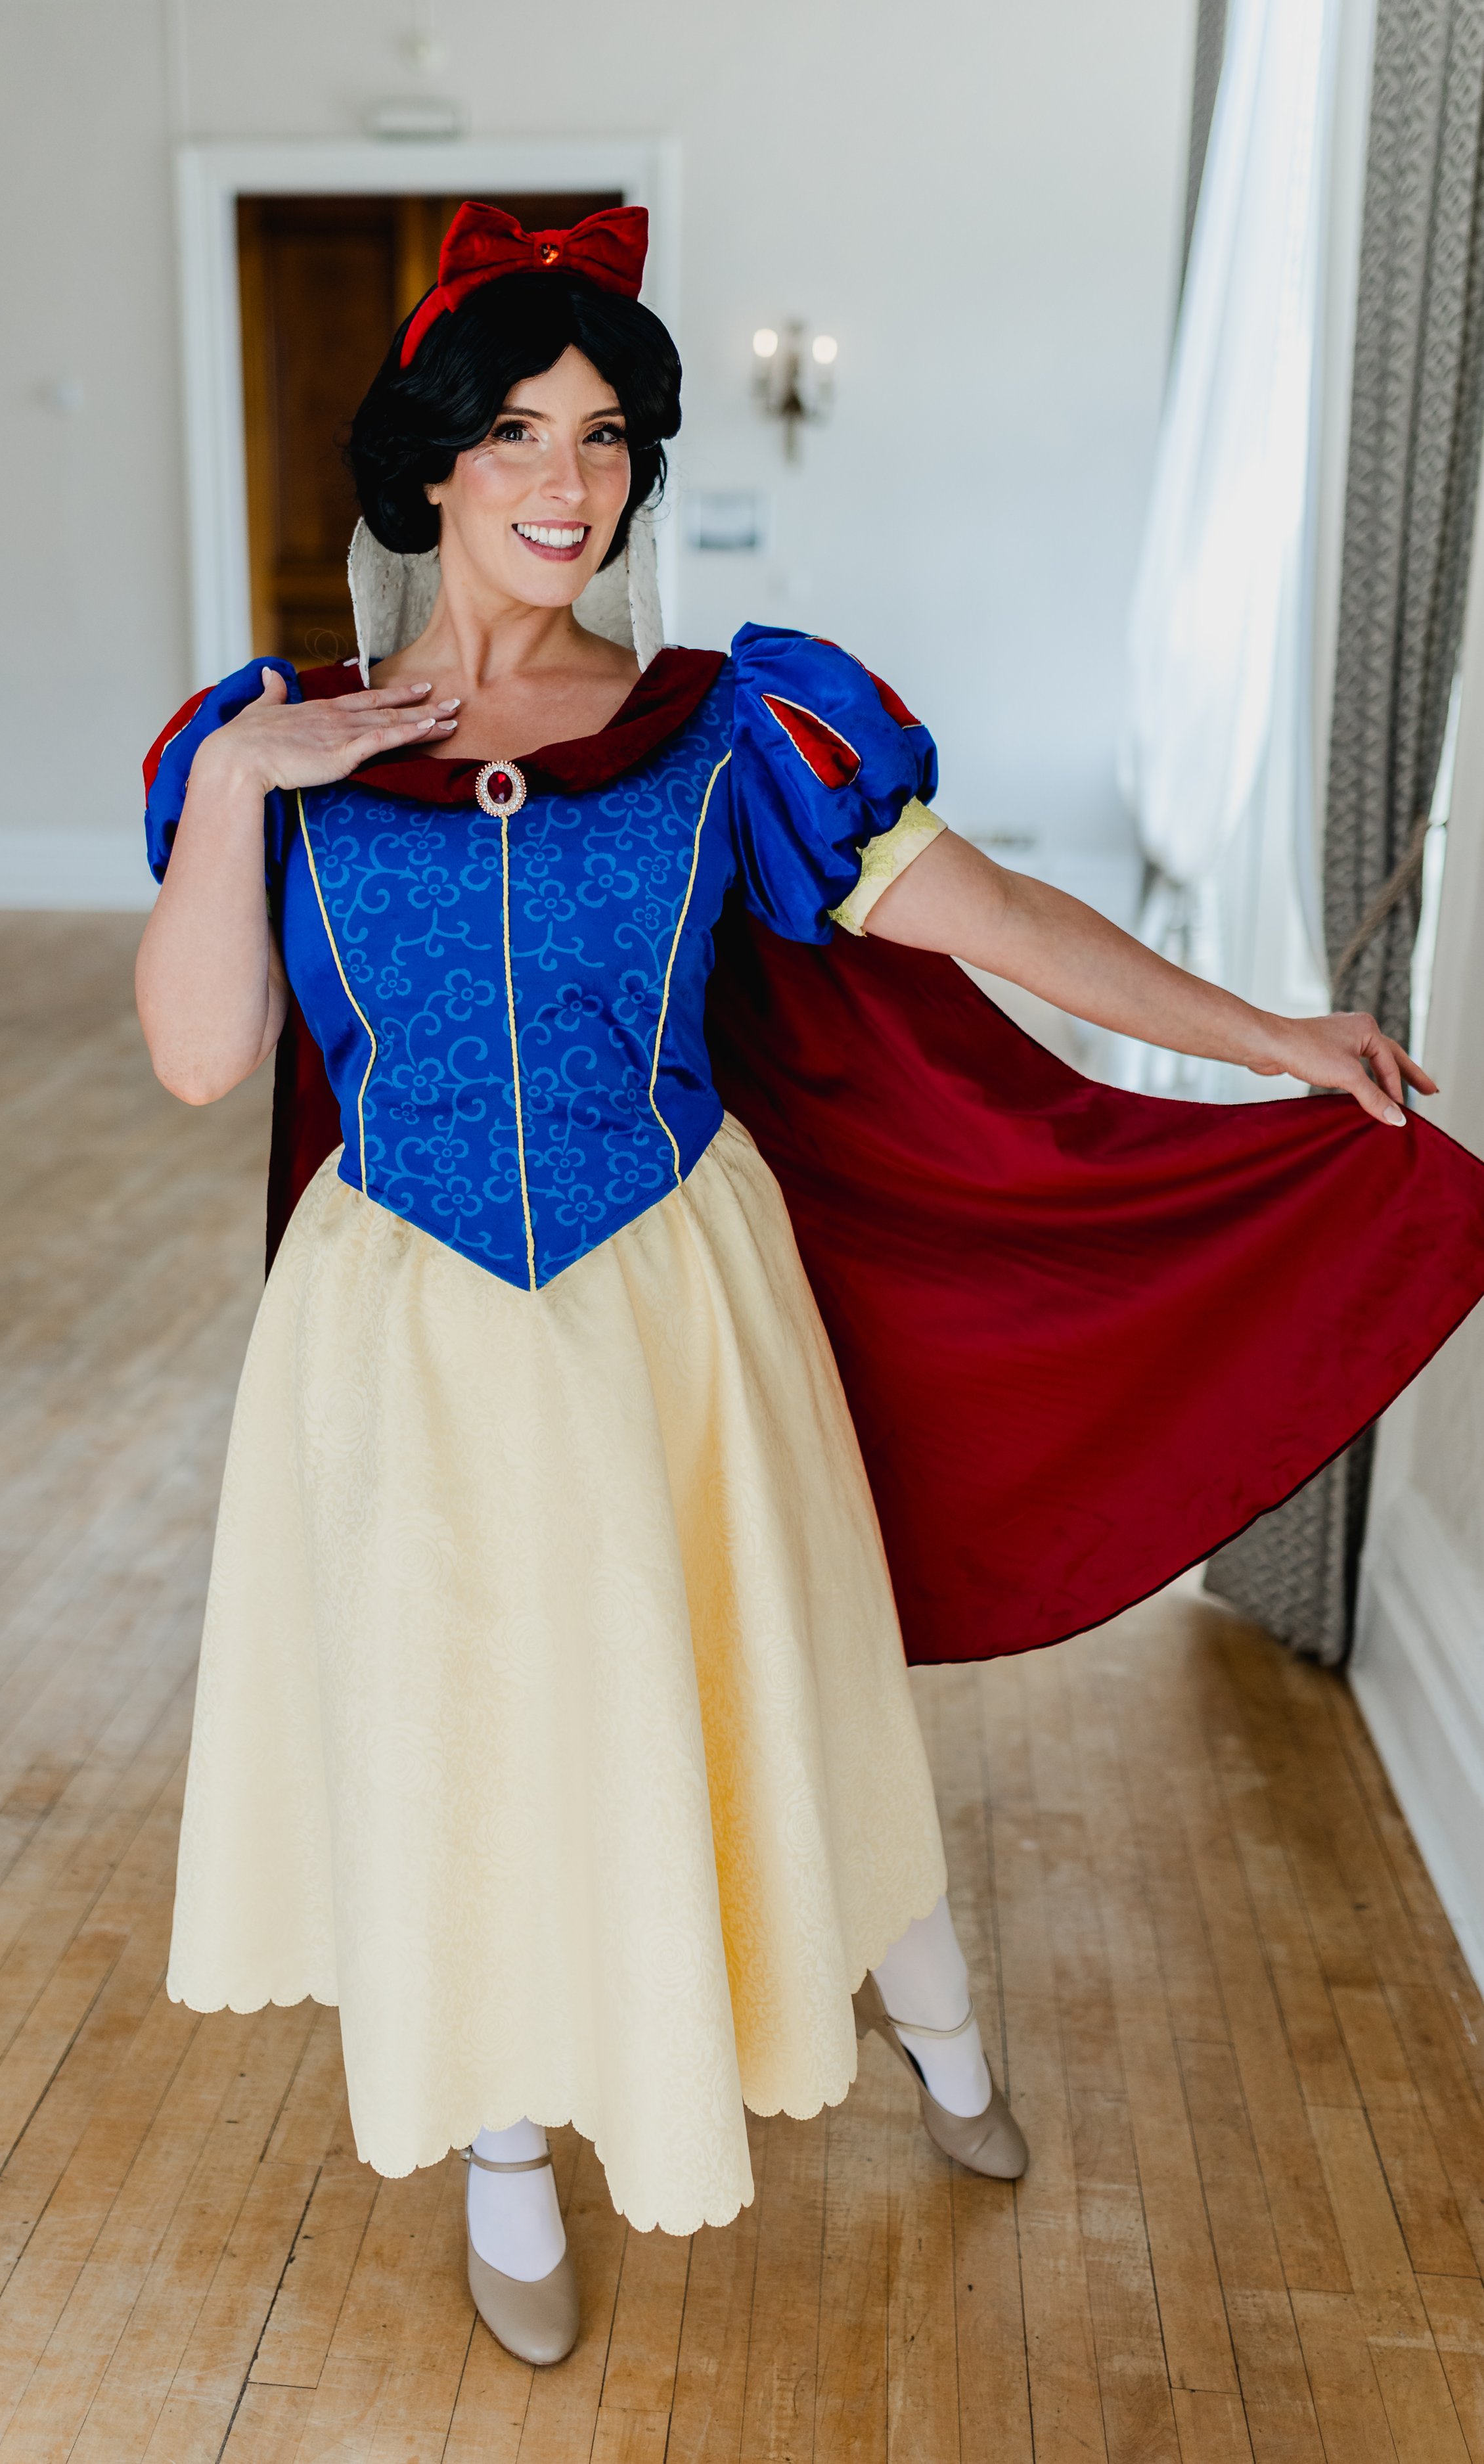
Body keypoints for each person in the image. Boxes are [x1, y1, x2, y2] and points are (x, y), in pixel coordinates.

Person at [136, 204, 1484, 2369]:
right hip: (397, 1319)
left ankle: (934, 2032)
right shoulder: (269, 743)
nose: (567, 481)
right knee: (461, 1726)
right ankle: (506, 2152)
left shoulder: (727, 727)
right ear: (428, 471)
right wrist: (230, 785)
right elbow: (205, 1056)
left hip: (671, 1294)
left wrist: (1266, 1038)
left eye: (602, 437)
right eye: (514, 434)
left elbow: (998, 918)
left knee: (764, 1694)